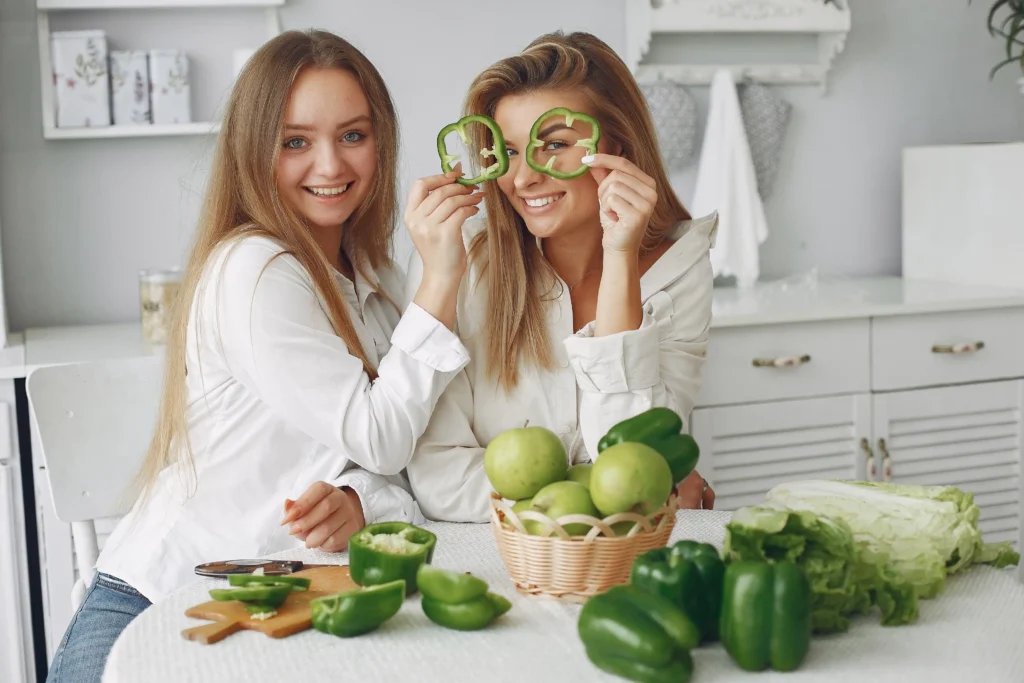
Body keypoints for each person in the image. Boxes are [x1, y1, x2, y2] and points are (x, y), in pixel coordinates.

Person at [47, 29, 478, 683]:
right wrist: (441, 277)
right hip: (157, 603)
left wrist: (358, 498)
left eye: (353, 135)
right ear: (255, 150)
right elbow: (382, 435)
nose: (331, 165)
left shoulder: (369, 281)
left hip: (272, 604)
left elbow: (400, 464)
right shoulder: (255, 268)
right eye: (296, 141)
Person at [406, 31, 718, 522]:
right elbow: (439, 478)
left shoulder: (679, 268)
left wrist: (621, 257)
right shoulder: (460, 262)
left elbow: (632, 449)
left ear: (615, 144)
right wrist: (592, 502)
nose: (524, 177)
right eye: (507, 151)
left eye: (553, 144)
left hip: (620, 564)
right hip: (493, 558)